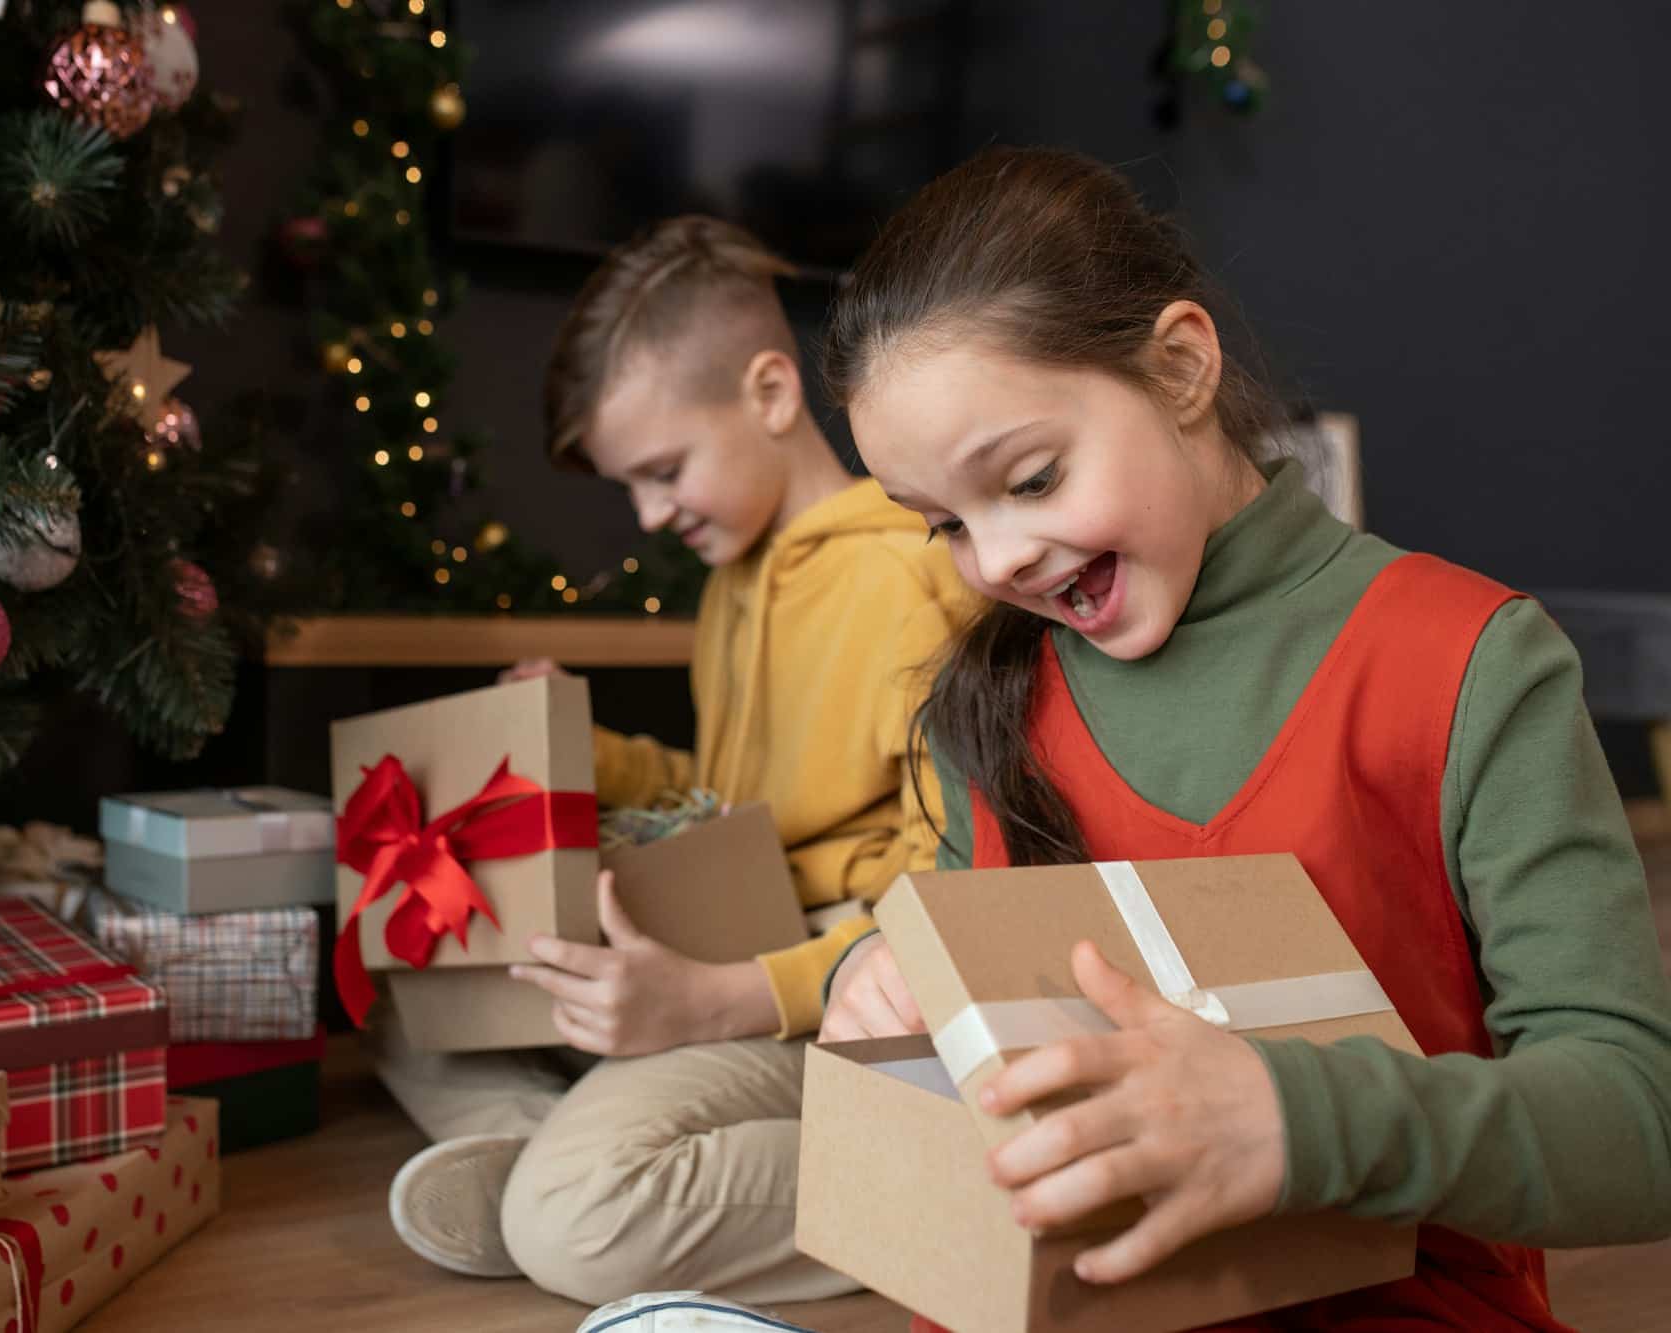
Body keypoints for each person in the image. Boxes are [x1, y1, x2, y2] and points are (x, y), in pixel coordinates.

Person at [810, 145, 1671, 1330]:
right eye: (943, 525)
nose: (996, 559)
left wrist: (1292, 1119)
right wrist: (888, 981)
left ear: (1177, 367)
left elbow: (1635, 1124)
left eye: (1031, 477)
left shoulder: (1468, 660)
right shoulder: (989, 700)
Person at [377, 215, 974, 1307]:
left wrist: (712, 1002)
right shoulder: (733, 581)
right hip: (729, 941)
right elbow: (727, 794)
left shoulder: (912, 583)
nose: (650, 513)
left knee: (577, 1213)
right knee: (409, 1002)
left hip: (839, 987)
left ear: (769, 393)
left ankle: (935, 1187)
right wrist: (581, 746)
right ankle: (529, 1145)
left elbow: (948, 902)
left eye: (661, 470)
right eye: (629, 486)